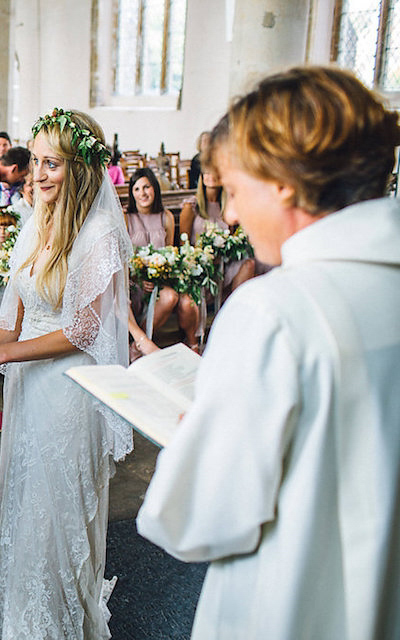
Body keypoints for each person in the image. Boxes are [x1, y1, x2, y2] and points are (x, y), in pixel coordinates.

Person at [137, 66, 400, 639]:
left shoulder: (274, 312)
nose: (229, 214)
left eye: (233, 189)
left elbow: (196, 519)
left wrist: (195, 439)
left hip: (293, 608)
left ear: (281, 180)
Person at [0, 108, 132, 639]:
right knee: (22, 501)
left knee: (54, 511)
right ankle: (16, 617)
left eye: (52, 164)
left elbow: (82, 332)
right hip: (28, 389)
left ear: (81, 170)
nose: (37, 175)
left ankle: (55, 624)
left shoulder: (100, 232)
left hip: (70, 392)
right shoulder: (34, 220)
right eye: (35, 162)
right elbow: (11, 322)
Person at [125, 167, 200, 356]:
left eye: (147, 187)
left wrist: (162, 274)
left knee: (172, 297)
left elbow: (169, 252)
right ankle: (139, 339)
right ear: (132, 193)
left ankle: (138, 343)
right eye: (137, 189)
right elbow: (122, 258)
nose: (142, 193)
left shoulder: (165, 216)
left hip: (161, 280)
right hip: (134, 282)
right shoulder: (127, 218)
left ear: (155, 189)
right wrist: (139, 279)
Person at [179, 166, 256, 301]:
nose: (211, 176)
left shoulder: (228, 206)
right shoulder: (191, 206)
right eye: (207, 172)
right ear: (201, 177)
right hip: (199, 265)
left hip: (224, 263)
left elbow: (232, 237)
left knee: (249, 263)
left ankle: (235, 306)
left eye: (215, 171)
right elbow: (183, 244)